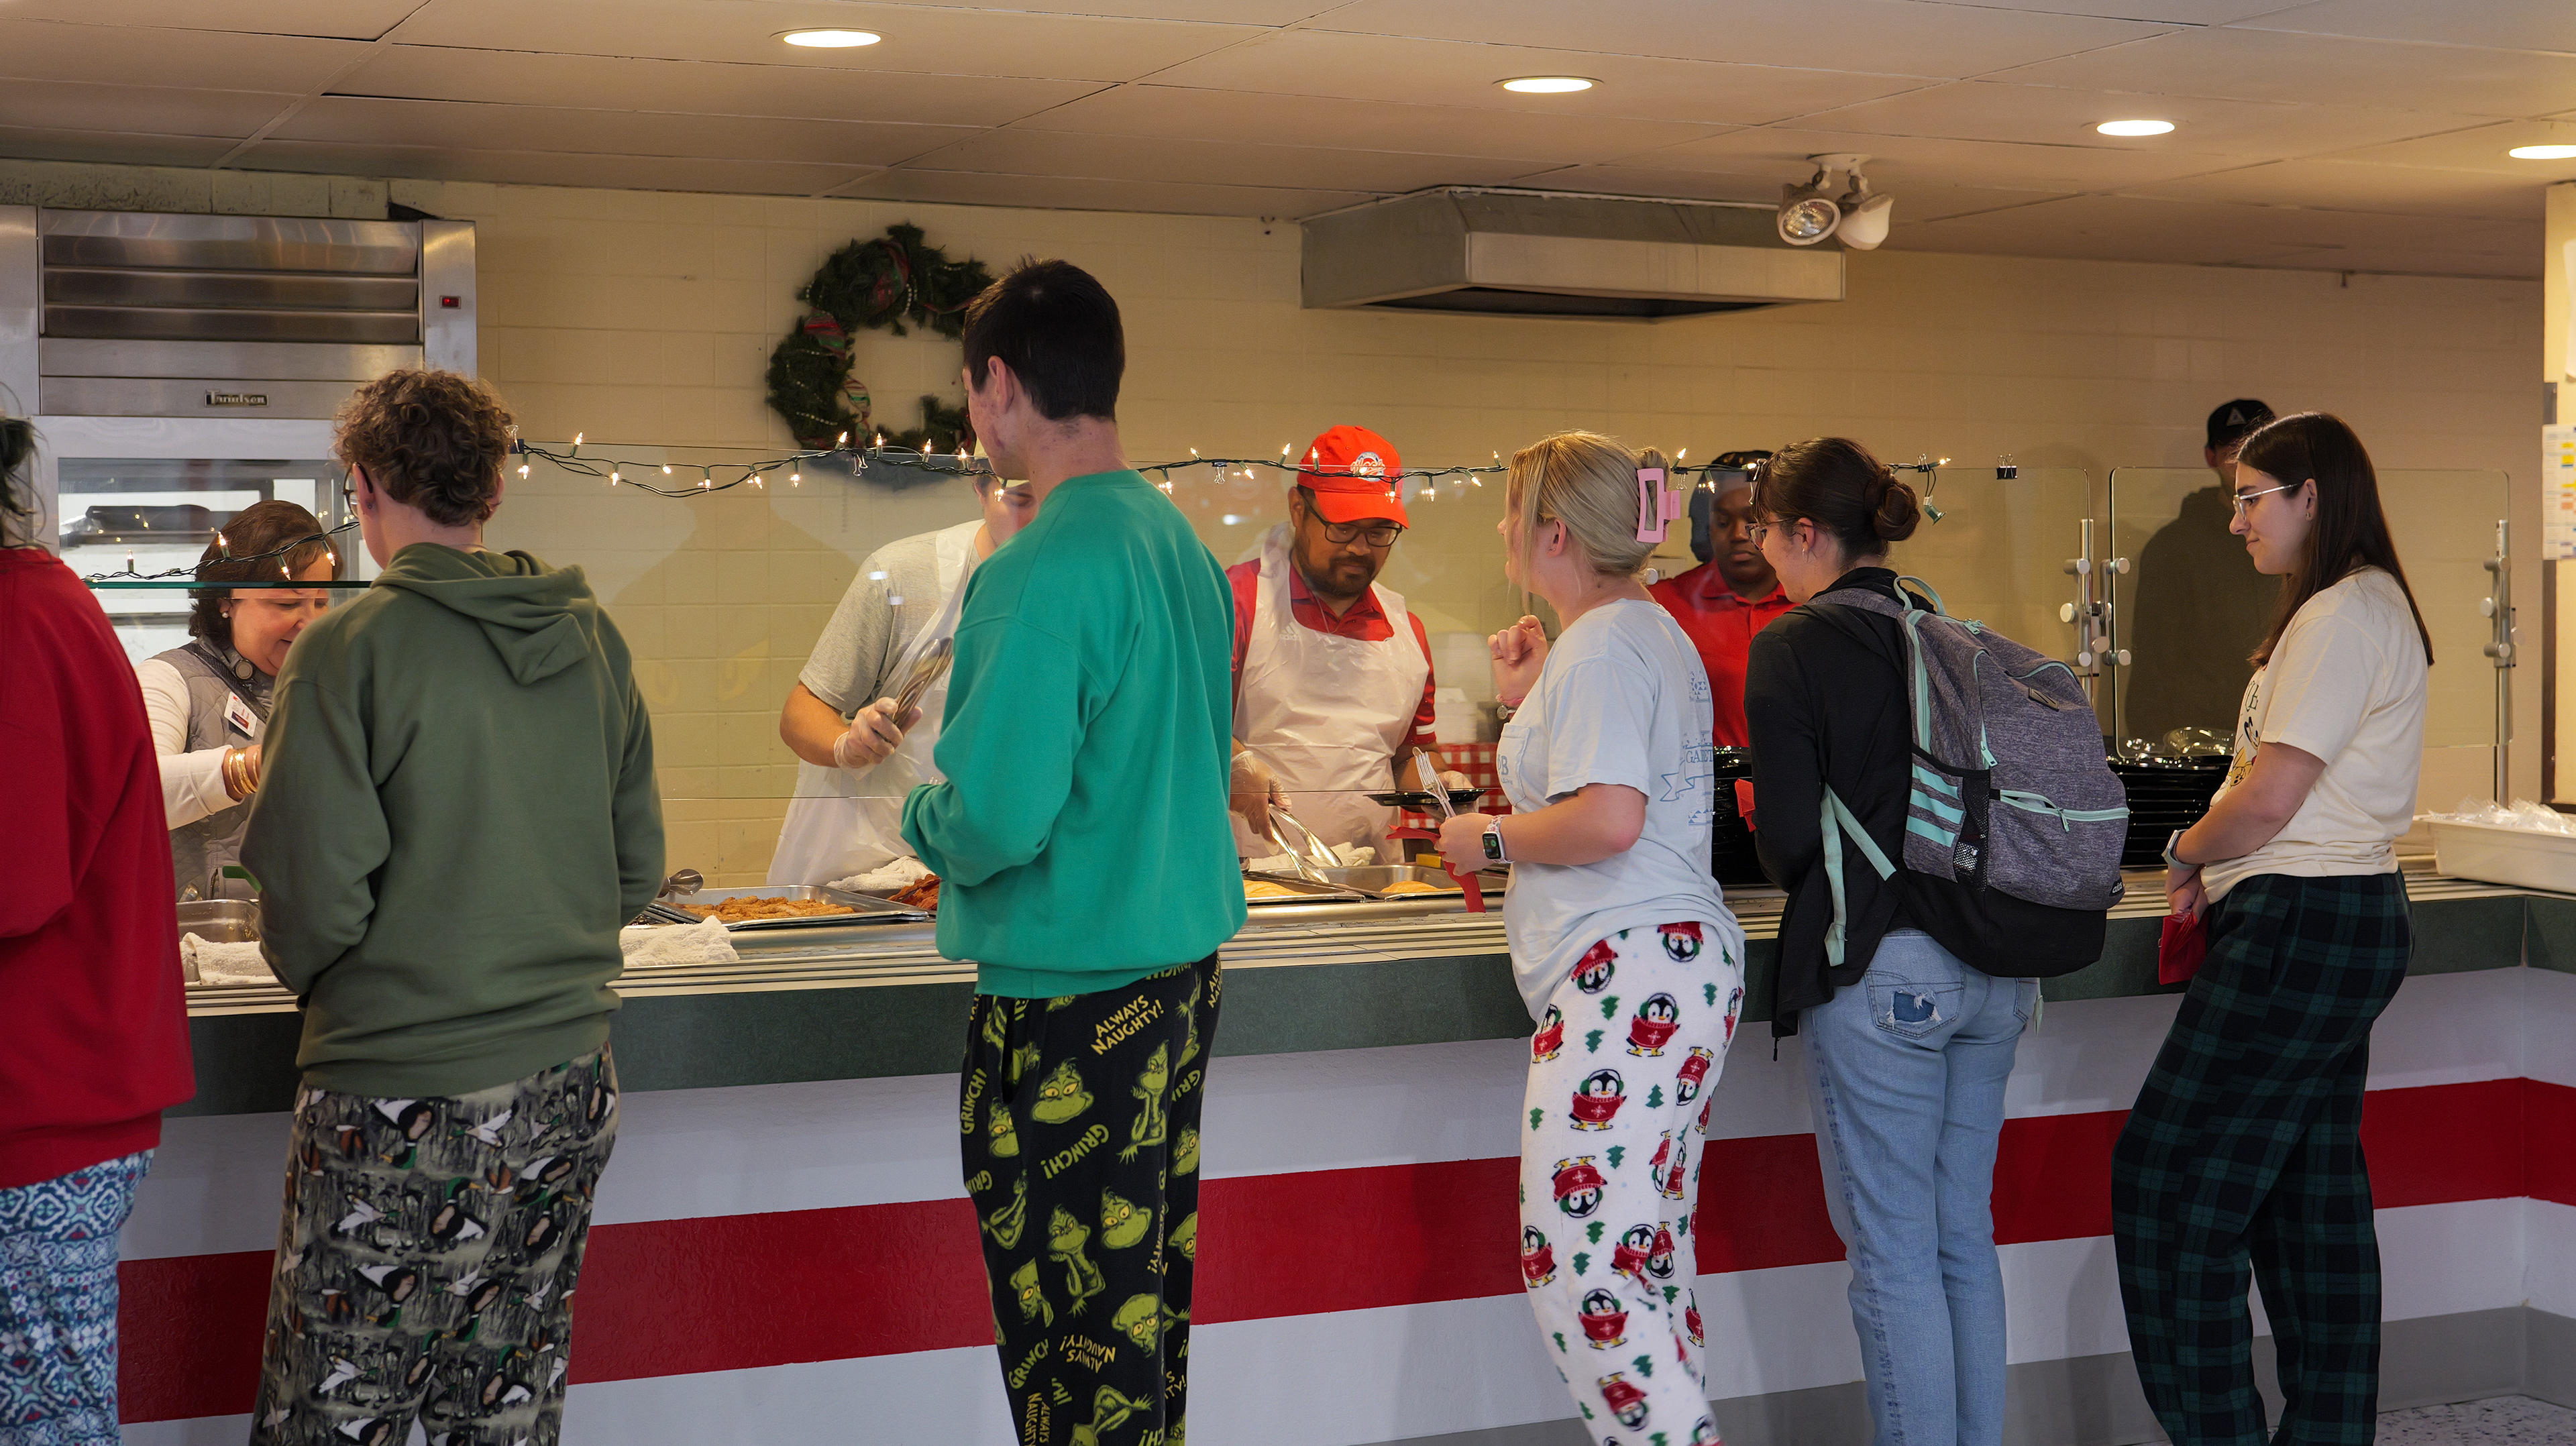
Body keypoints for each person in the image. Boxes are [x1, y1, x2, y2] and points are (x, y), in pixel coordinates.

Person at [241, 369, 663, 1445]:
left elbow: (308, 901)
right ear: (495, 488)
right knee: (505, 1411)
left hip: (401, 1097)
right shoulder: (592, 636)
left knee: (343, 1414)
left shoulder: (348, 648)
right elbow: (634, 871)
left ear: (363, 485)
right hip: (569, 1087)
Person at [901, 260, 1240, 1445]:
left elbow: (995, 820)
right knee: (1140, 1321)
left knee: (1068, 1347)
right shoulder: (1180, 546)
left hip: (1066, 1002)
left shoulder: (1035, 570)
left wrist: (919, 817)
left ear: (998, 383)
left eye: (968, 388)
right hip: (1177, 980)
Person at [2114, 412, 2430, 1446]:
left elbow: (2271, 798)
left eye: (2252, 498)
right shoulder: (2359, 605)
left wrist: (2185, 851)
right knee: (2307, 1200)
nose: (2237, 520)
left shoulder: (2341, 614)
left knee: (2168, 1187)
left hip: (2303, 917)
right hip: (2338, 915)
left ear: (2312, 496)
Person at [1434, 433, 1743, 1446]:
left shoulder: (1605, 644)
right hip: (1667, 960)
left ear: (1554, 532)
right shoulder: (1635, 631)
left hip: (1628, 967)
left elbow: (1608, 818)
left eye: (1512, 509)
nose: (1501, 527)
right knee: (1643, 1255)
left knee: (1582, 1261)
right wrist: (1532, 696)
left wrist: (1485, 837)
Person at [1742, 437, 2037, 1446]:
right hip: (1996, 968)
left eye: (1765, 531)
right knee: (1961, 1241)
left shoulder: (1791, 644)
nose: (1760, 550)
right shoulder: (1946, 627)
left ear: (1807, 533)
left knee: (1895, 1254)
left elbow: (1792, 842)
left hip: (1887, 973)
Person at [0, 408, 194, 1445]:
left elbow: (15, 882)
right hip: (48, 1102)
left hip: (40, 1114)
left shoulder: (19, 619)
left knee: (47, 1427)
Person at [770, 467, 1038, 885]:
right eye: (1020, 500)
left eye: (1056, 500)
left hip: (1003, 866)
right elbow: (800, 713)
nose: (1039, 519)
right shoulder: (903, 575)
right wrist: (847, 745)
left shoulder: (1086, 585)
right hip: (868, 866)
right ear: (979, 489)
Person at [1226, 424, 1445, 861]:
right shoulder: (1237, 601)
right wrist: (1233, 763)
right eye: (1343, 528)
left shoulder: (1407, 631)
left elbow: (1409, 757)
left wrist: (1441, 787)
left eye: (1379, 531)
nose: (1361, 549)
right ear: (1298, 509)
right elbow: (1184, 722)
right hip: (1252, 875)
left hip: (1372, 874)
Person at [136, 499, 335, 900]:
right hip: (203, 929)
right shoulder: (168, 677)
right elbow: (138, 795)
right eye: (287, 603)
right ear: (225, 601)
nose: (310, 622)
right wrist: (256, 764)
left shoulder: (335, 682)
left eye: (321, 602)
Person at [2123, 398, 2279, 743]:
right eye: (2234, 452)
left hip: (2282, 731)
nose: (2246, 463)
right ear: (2212, 457)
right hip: (2201, 742)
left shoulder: (2296, 543)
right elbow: (2153, 659)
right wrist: (2154, 744)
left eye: (2258, 450)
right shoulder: (2175, 547)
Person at [1650, 461, 1791, 748]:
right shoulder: (1664, 603)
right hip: (1702, 774)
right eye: (1723, 522)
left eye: (1753, 522)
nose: (1739, 534)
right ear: (1706, 528)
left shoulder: (1811, 602)